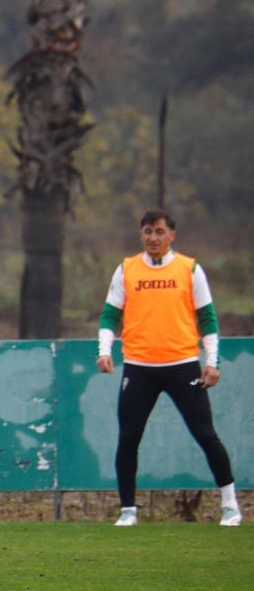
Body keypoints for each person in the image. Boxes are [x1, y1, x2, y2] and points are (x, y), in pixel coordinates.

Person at [98, 210, 238, 526]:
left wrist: (212, 362)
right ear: (140, 235)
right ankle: (128, 511)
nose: (153, 238)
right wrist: (104, 350)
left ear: (171, 235)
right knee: (129, 438)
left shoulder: (189, 269)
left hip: (182, 365)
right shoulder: (126, 269)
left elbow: (208, 319)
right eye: (148, 231)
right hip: (139, 367)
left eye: (159, 231)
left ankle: (230, 505)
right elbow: (109, 315)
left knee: (204, 434)